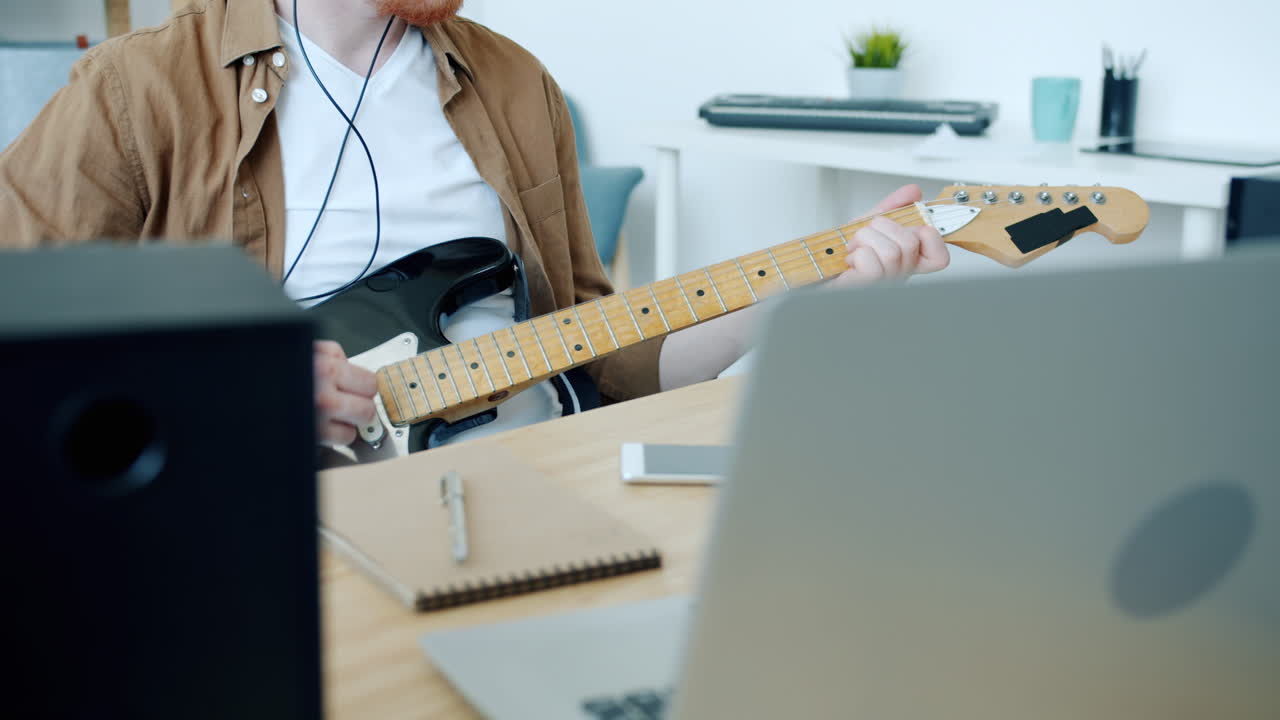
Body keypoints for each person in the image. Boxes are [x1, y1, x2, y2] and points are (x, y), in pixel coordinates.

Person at [0, 0, 949, 449]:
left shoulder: (516, 85)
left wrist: (810, 292)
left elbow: (598, 351)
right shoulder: (137, 90)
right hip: (280, 520)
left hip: (542, 477)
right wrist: (229, 385)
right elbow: (20, 331)